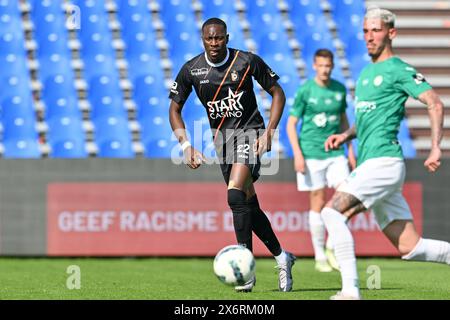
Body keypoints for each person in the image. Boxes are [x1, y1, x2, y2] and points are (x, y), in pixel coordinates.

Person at [321, 7, 449, 300]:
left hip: (383, 162)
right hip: (373, 164)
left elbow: (434, 103)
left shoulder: (398, 69)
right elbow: (366, 119)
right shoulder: (366, 73)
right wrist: (346, 134)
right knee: (410, 248)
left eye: (376, 30)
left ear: (391, 33)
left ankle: (350, 291)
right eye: (366, 31)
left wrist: (434, 148)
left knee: (331, 213)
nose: (369, 37)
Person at [168, 17, 296, 293]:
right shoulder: (192, 70)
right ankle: (282, 256)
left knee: (234, 195)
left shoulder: (246, 61)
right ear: (202, 39)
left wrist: (270, 132)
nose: (214, 43)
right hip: (222, 142)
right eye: (209, 38)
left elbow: (278, 93)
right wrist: (185, 145)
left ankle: (245, 269)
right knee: (247, 206)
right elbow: (174, 109)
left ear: (227, 37)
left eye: (219, 38)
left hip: (250, 133)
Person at [286, 49, 356, 273]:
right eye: (321, 65)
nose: (325, 70)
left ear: (332, 66)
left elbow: (344, 120)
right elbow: (291, 124)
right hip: (311, 154)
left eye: (328, 66)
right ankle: (319, 257)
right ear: (314, 66)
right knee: (316, 203)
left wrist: (351, 149)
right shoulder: (306, 90)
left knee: (347, 197)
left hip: (336, 153)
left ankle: (330, 245)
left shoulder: (339, 89)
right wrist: (297, 154)